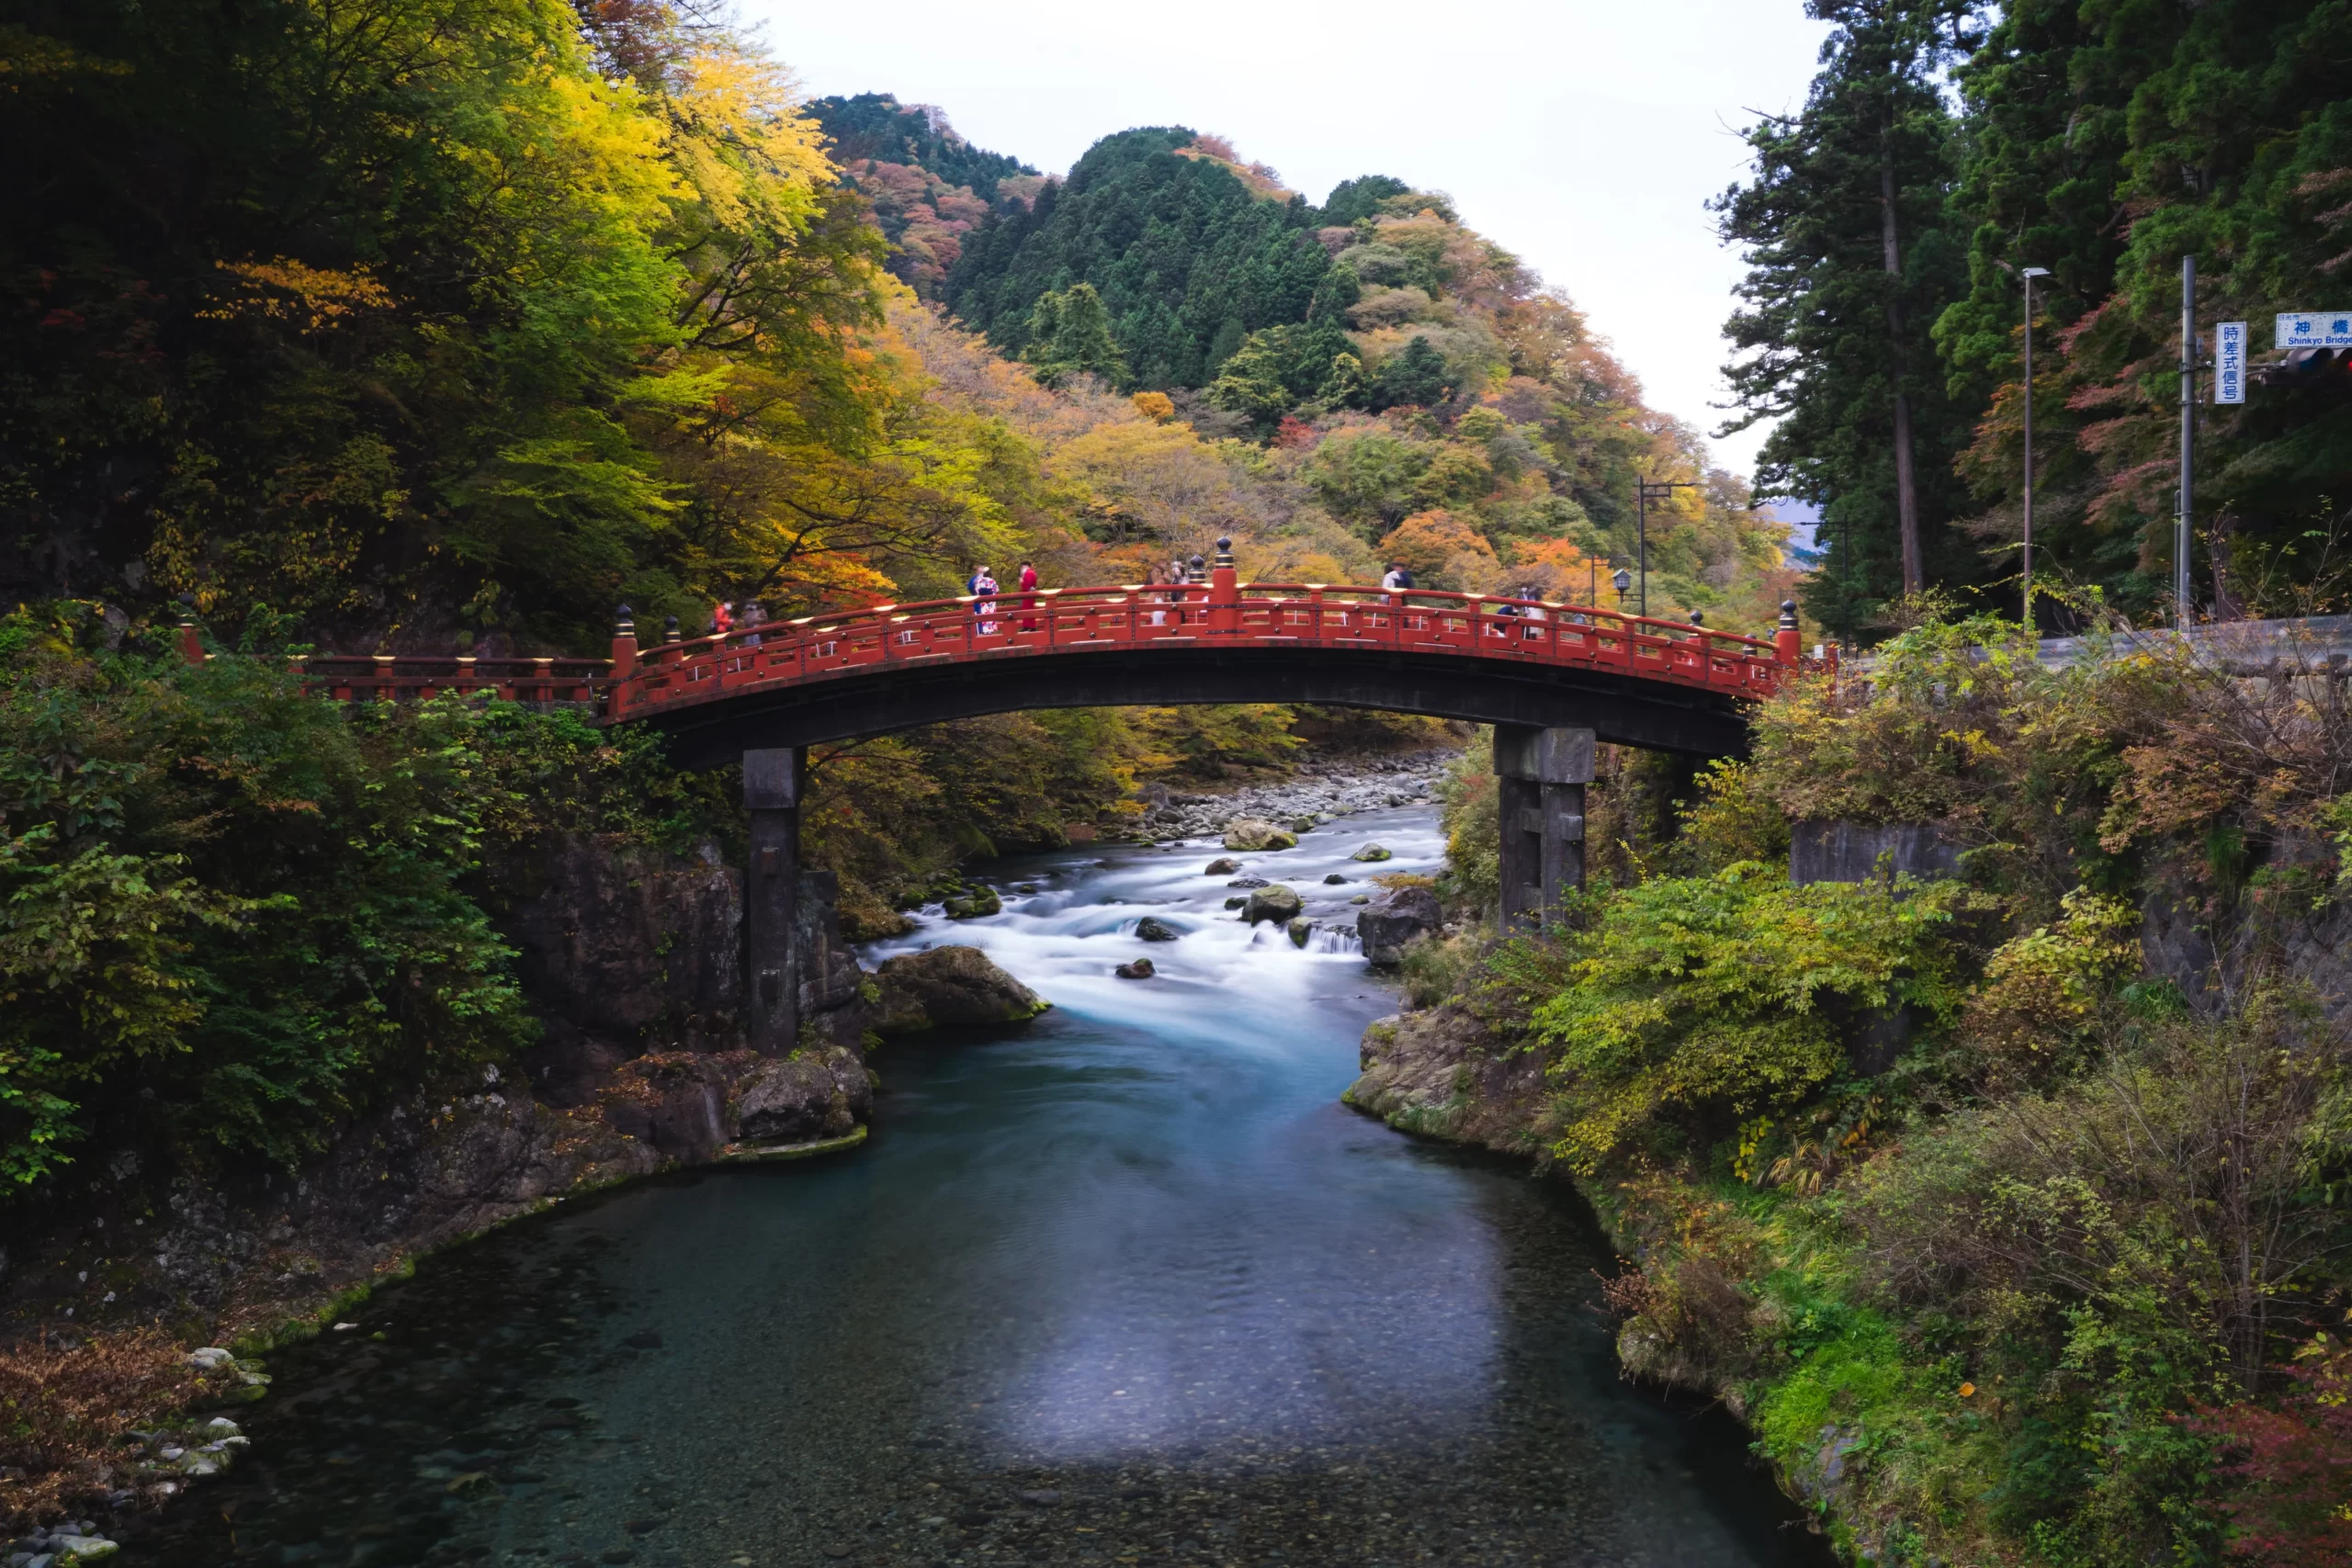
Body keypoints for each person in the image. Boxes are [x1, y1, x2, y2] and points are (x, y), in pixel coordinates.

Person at [970, 567, 1000, 636]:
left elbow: (976, 591)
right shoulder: (992, 581)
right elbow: (996, 590)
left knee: (983, 615)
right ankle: (990, 631)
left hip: (982, 601)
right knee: (990, 616)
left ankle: (983, 631)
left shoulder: (979, 581)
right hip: (991, 601)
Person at [1018, 560, 1039, 632]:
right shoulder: (1031, 572)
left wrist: (1022, 582)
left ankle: (1029, 626)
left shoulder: (1028, 573)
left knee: (1027, 610)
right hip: (1030, 593)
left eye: (1022, 566)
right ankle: (1029, 626)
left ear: (1025, 566)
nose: (1022, 567)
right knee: (1029, 609)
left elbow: (1027, 585)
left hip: (1028, 593)